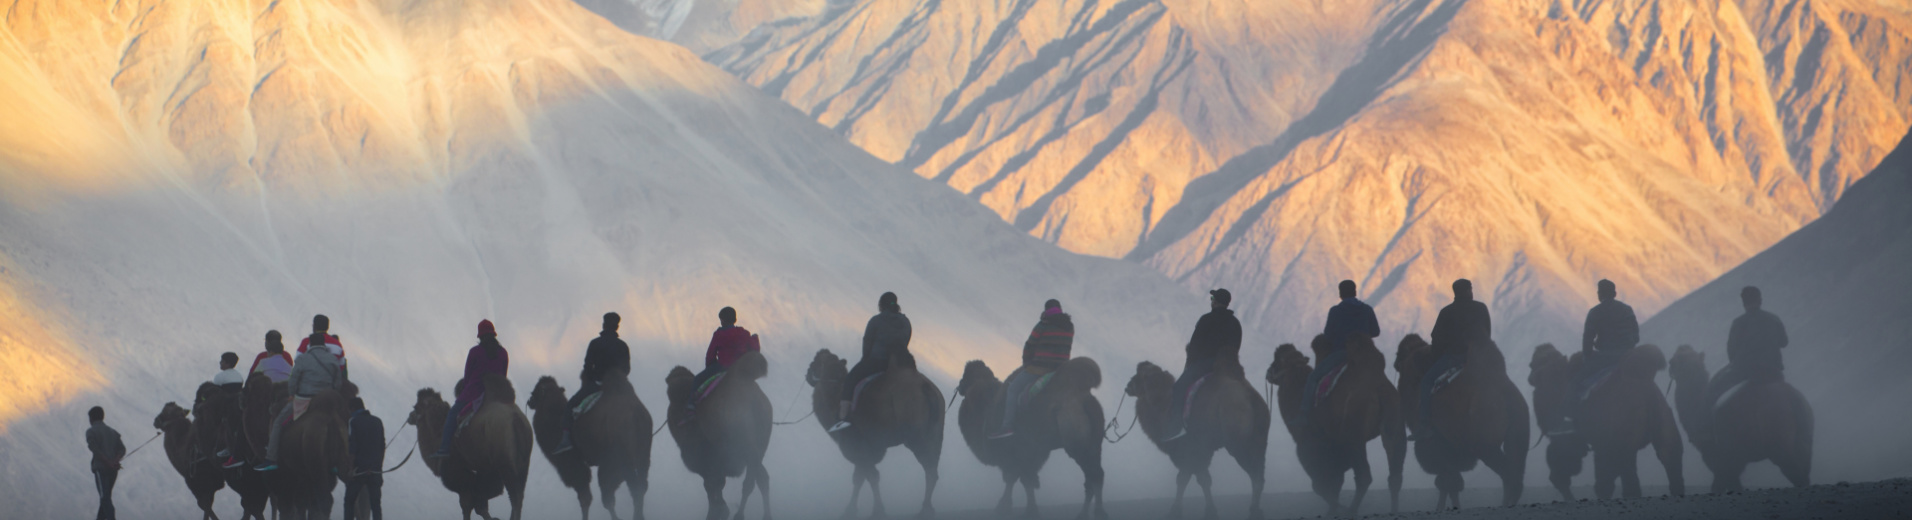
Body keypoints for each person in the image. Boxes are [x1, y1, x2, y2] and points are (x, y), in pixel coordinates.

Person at [1696, 286, 1789, 442]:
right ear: (1760, 300)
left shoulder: (1739, 323)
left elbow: (1731, 352)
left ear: (1744, 303)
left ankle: (1706, 434)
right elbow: (1784, 342)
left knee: (1713, 390)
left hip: (1747, 372)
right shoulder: (1773, 318)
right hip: (1774, 372)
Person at [257, 315, 348, 471]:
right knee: (343, 425)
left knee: (278, 422)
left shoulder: (304, 350)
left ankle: (271, 458)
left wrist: (293, 393)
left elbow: (295, 376)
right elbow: (340, 378)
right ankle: (341, 459)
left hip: (304, 399)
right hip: (327, 399)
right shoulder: (337, 348)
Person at [1550, 279, 1639, 436]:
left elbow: (1587, 340)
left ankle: (1566, 420)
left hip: (1605, 358)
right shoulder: (1627, 310)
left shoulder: (1595, 312)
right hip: (1628, 357)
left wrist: (1587, 358)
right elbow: (1636, 337)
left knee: (1576, 382)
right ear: (1615, 293)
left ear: (1599, 294)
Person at [1409, 279, 1492, 441]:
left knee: (1426, 382)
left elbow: (1436, 339)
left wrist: (1439, 354)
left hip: (1453, 359)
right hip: (1479, 360)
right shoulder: (1481, 308)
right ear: (1468, 291)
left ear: (1455, 293)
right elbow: (1487, 334)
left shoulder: (1447, 312)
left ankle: (1424, 425)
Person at [1162, 289, 1243, 442]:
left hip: (1206, 365)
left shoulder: (1206, 319)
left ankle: (1176, 426)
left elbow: (1195, 346)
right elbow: (1236, 347)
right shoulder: (1235, 323)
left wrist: (1191, 365)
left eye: (1212, 297)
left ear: (1216, 301)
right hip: (1229, 368)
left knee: (1178, 388)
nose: (1211, 300)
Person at [1297, 280, 1381, 424]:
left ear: (1340, 294)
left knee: (1313, 378)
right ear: (1355, 292)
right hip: (1365, 357)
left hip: (1342, 354)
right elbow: (1375, 331)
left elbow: (1328, 335)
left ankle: (1305, 415)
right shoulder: (1367, 309)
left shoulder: (1336, 311)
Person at [827, 292, 912, 433]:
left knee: (851, 379)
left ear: (881, 305)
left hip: (876, 362)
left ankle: (843, 416)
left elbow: (867, 343)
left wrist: (865, 359)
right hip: (897, 366)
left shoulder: (876, 321)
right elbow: (906, 342)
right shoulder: (905, 322)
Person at [990, 299, 1074, 439]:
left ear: (1047, 310)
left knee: (1013, 389)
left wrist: (1027, 364)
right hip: (1060, 371)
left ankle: (1007, 426)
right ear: (1060, 309)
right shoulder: (1069, 327)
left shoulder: (1043, 324)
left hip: (1039, 368)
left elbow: (1029, 345)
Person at [430, 319, 510, 460]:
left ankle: (444, 448)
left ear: (480, 336)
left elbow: (467, 376)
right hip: (496, 397)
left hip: (474, 393)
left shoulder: (475, 352)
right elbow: (503, 376)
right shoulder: (503, 353)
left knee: (452, 415)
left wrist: (467, 389)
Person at [554, 312, 633, 454]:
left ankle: (567, 439)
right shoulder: (623, 346)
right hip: (618, 388)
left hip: (596, 385)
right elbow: (626, 370)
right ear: (617, 327)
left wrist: (593, 378)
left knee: (571, 405)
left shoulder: (595, 343)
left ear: (604, 325)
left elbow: (587, 366)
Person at [688, 307, 760, 407]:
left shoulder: (719, 334)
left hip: (722, 367)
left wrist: (710, 368)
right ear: (734, 319)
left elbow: (710, 355)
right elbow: (755, 350)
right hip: (740, 369)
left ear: (723, 320)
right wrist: (755, 338)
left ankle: (691, 407)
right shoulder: (744, 333)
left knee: (697, 380)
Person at [344, 397, 385, 520]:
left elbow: (352, 448)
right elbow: (382, 447)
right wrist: (379, 469)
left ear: (352, 408)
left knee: (349, 502)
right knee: (376, 506)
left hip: (359, 470)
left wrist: (351, 469)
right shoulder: (378, 421)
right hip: (375, 471)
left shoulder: (353, 421)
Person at [86, 406, 125, 520]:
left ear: (91, 419)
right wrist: (115, 460)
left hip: (101, 469)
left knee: (104, 498)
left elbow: (93, 448)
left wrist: (107, 461)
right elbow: (122, 449)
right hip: (113, 470)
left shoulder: (91, 431)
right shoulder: (113, 432)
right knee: (106, 497)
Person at [297, 315, 347, 380]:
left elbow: (298, 361)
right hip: (331, 383)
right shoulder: (337, 344)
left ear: (314, 326)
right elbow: (341, 365)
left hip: (310, 381)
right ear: (327, 327)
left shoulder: (306, 342)